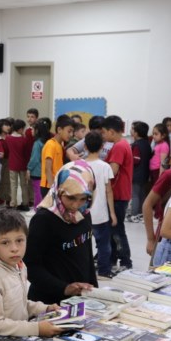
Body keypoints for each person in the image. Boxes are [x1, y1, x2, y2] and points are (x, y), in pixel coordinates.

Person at [0, 209, 61, 336]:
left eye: (19, 240)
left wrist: (44, 309)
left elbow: (19, 304)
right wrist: (36, 329)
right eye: (5, 243)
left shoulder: (19, 265)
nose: (14, 249)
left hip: (20, 336)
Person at [24, 161, 97, 304]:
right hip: (49, 303)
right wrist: (64, 288)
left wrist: (94, 293)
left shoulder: (84, 214)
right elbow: (31, 266)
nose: (76, 205)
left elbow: (87, 256)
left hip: (80, 299)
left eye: (83, 199)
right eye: (70, 198)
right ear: (59, 190)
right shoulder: (43, 220)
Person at [102, 115, 134, 273]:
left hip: (118, 195)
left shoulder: (119, 147)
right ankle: (113, 258)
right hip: (120, 194)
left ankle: (126, 261)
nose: (103, 136)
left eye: (104, 132)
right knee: (113, 229)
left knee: (117, 230)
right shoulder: (123, 144)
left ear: (111, 131)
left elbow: (112, 171)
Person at [83, 131, 117, 279]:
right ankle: (103, 271)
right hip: (101, 214)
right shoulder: (105, 167)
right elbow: (109, 191)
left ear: (84, 146)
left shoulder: (80, 165)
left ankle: (84, 271)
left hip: (83, 213)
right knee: (104, 245)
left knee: (82, 245)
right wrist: (113, 213)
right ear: (102, 147)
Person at [42, 117, 73, 196]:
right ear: (59, 130)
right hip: (48, 186)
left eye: (72, 132)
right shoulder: (50, 144)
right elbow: (48, 169)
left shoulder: (59, 145)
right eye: (69, 131)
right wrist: (53, 189)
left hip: (56, 185)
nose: (71, 134)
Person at [6, 119, 30, 211]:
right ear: (20, 129)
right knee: (24, 185)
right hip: (23, 164)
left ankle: (13, 203)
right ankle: (25, 203)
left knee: (13, 184)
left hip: (12, 163)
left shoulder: (8, 138)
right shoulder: (24, 139)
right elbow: (26, 153)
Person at [27, 119, 50, 208]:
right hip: (45, 172)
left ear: (37, 130)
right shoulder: (48, 142)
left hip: (37, 172)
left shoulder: (37, 143)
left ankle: (38, 208)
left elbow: (34, 159)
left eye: (33, 129)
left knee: (37, 192)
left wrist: (29, 168)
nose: (31, 131)